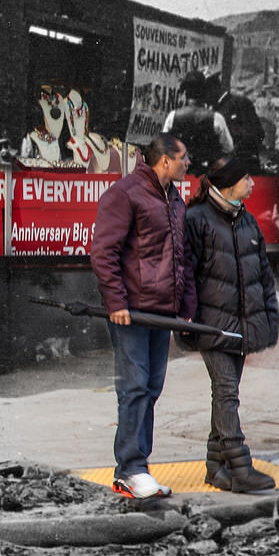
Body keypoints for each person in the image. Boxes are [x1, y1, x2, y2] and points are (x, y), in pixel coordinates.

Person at [89, 132, 197, 499]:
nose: (188, 165)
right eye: (184, 158)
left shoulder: (174, 200)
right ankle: (130, 469)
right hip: (132, 311)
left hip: (161, 313)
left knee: (151, 388)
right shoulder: (125, 194)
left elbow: (182, 260)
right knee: (134, 387)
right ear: (164, 160)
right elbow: (103, 252)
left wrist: (185, 309)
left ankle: (139, 467)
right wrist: (116, 303)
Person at [183, 155, 279, 493]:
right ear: (230, 184)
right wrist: (186, 321)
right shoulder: (196, 220)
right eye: (247, 179)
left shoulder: (247, 221)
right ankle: (241, 468)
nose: (253, 184)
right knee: (226, 393)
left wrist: (268, 321)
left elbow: (263, 276)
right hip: (211, 326)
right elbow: (184, 275)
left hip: (241, 327)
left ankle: (215, 467)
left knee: (225, 395)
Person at [161, 69, 232, 174]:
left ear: (185, 93)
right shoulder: (216, 118)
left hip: (180, 179)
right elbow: (228, 148)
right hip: (207, 178)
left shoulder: (173, 117)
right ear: (204, 92)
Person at [209, 73, 267, 171]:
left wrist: (233, 153)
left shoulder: (240, 103)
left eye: (203, 91)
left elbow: (258, 134)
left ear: (213, 88)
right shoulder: (212, 110)